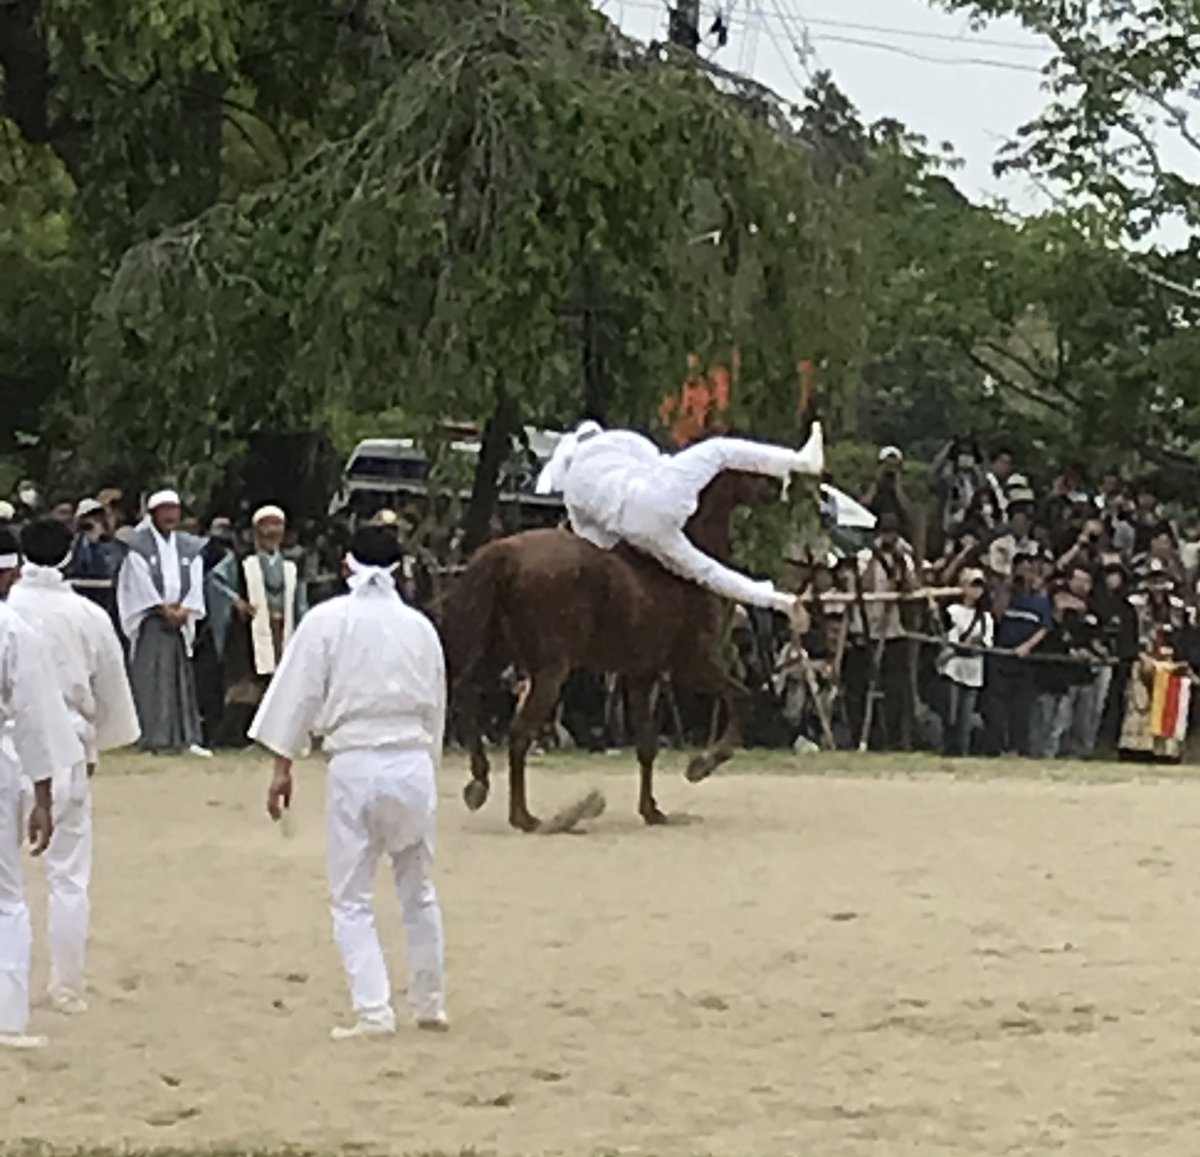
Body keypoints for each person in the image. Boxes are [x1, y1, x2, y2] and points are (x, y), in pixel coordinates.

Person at [248, 525, 448, 1040]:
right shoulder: (420, 628)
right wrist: (431, 764)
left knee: (352, 897)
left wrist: (282, 765)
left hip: (356, 762)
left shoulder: (327, 620)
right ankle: (431, 1001)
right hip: (412, 760)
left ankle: (374, 1009)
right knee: (418, 890)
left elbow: (298, 695)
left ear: (347, 565)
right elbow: (438, 706)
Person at [7, 519, 140, 1016]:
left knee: (6, 881)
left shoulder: (9, 611)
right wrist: (94, 748)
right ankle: (66, 986)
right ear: (69, 557)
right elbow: (111, 696)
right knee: (68, 875)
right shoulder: (87, 616)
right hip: (66, 746)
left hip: (9, 744)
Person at [538, 419, 824, 614]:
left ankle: (777, 601)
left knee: (706, 572)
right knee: (719, 450)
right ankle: (799, 462)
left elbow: (599, 542)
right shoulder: (614, 440)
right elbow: (655, 459)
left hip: (642, 531)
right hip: (658, 494)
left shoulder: (572, 497)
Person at [0, 570, 85, 1048]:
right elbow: (32, 718)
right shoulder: (12, 630)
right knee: (7, 896)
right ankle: (8, 1018)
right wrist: (44, 796)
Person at [116, 490, 208, 755]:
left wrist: (185, 609)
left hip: (179, 620)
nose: (170, 515)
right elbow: (138, 581)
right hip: (152, 621)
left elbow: (195, 580)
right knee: (152, 675)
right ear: (152, 514)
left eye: (174, 509)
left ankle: (184, 736)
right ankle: (151, 735)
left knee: (180, 679)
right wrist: (160, 607)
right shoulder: (139, 546)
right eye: (164, 509)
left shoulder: (189, 547)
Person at [208, 506, 308, 746]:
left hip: (283, 631)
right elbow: (214, 581)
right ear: (256, 530)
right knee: (248, 684)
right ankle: (236, 738)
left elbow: (301, 600)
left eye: (278, 525)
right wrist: (236, 602)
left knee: (279, 683)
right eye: (267, 525)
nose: (272, 531)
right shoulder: (242, 561)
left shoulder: (291, 565)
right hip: (250, 633)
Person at [985, 551, 1052, 756]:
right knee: (997, 705)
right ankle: (996, 747)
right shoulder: (1006, 595)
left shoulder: (1040, 600)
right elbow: (996, 615)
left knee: (1021, 707)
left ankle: (1018, 747)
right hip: (1002, 654)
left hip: (1024, 659)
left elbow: (1045, 627)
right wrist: (1007, 588)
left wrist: (1028, 646)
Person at [939, 568, 992, 756]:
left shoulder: (986, 618)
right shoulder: (953, 611)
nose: (977, 590)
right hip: (954, 667)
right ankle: (946, 750)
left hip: (974, 670)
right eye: (973, 584)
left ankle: (962, 752)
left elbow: (986, 643)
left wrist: (974, 644)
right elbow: (951, 638)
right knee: (950, 715)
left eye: (980, 585)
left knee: (966, 718)